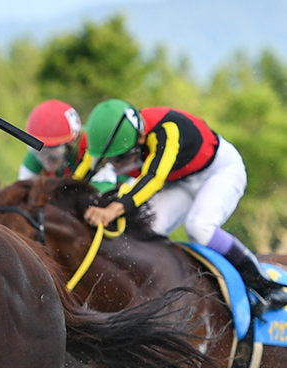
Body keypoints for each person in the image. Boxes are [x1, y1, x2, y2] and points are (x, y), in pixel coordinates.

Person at [80, 98, 287, 315]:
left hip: (219, 171)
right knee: (146, 231)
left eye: (121, 157)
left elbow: (154, 178)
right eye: (110, 159)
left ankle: (265, 285)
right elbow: (81, 173)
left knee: (199, 228)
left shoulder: (168, 131)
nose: (117, 165)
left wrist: (112, 209)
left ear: (141, 136)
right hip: (180, 181)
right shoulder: (110, 137)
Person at [18, 99, 87, 179]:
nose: (46, 161)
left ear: (72, 143)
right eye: (40, 153)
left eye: (52, 155)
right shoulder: (35, 157)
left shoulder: (89, 143)